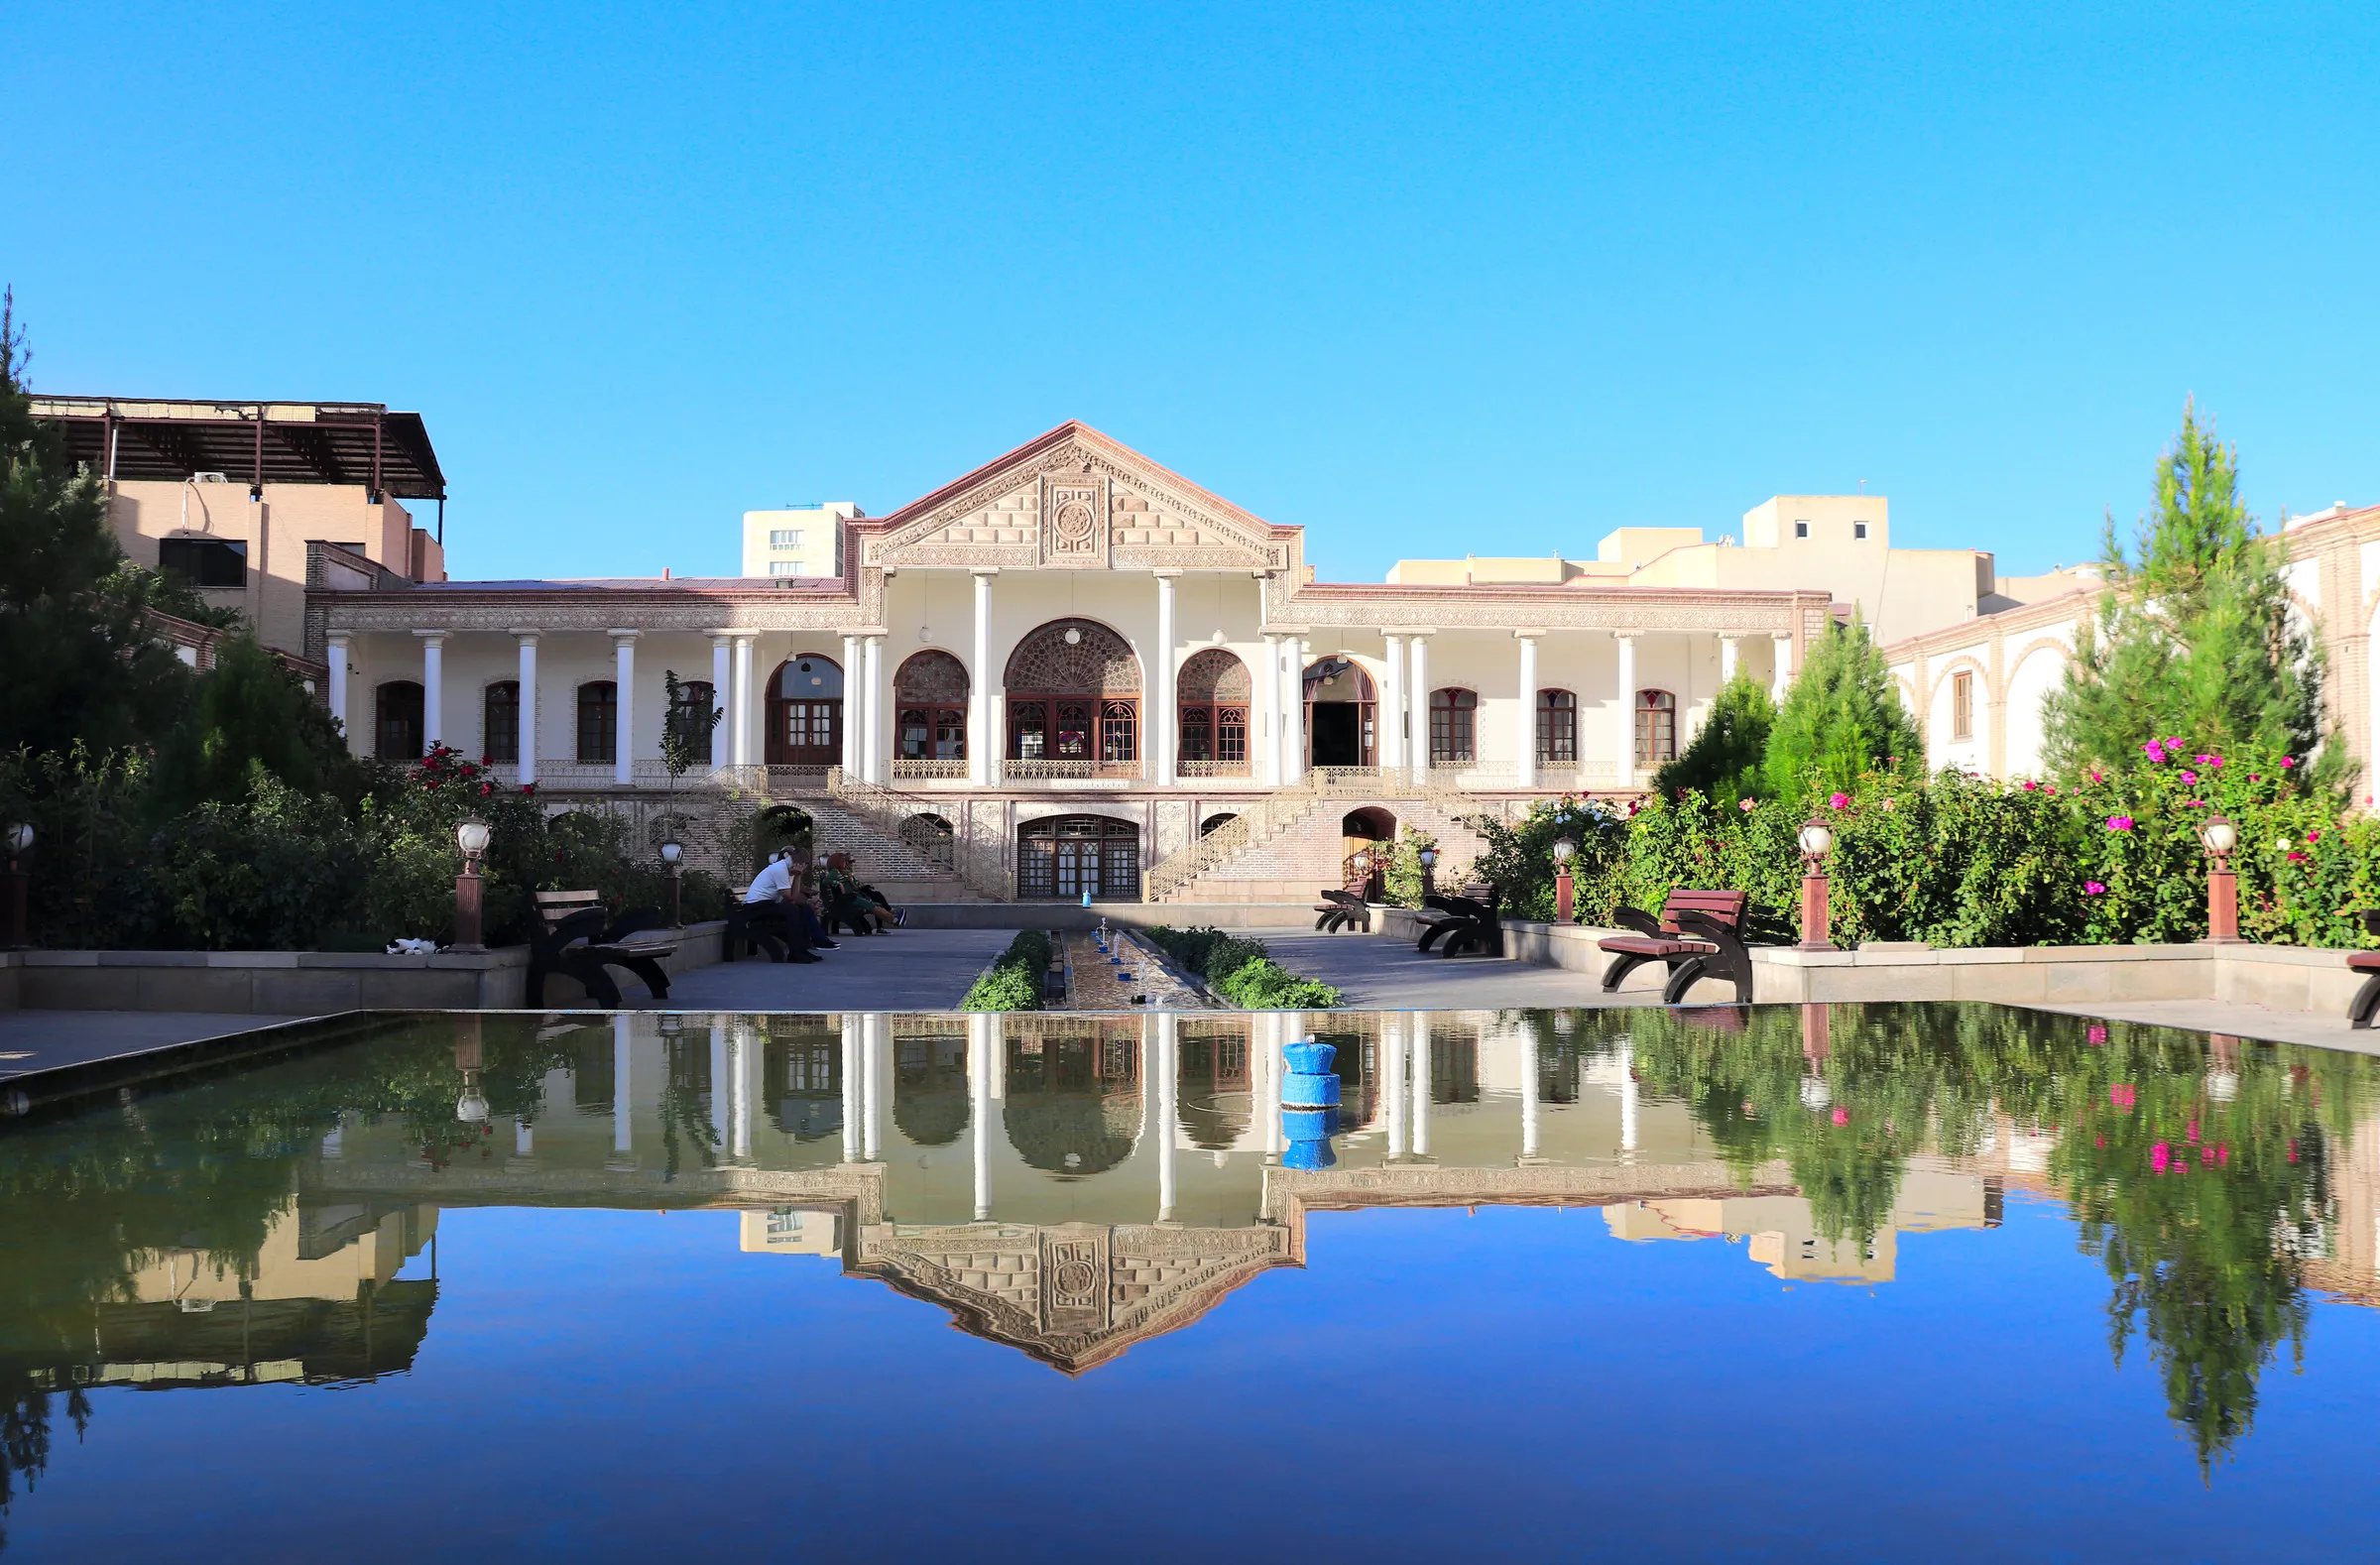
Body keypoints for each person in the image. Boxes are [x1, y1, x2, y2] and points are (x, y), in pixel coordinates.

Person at [741, 850, 824, 962]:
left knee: (802, 909)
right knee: (791, 910)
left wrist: (797, 876)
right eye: (804, 866)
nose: (804, 870)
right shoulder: (780, 869)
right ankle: (795, 954)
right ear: (799, 863)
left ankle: (802, 950)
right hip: (754, 908)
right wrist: (798, 876)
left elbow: (793, 898)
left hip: (765, 904)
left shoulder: (788, 869)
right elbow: (790, 898)